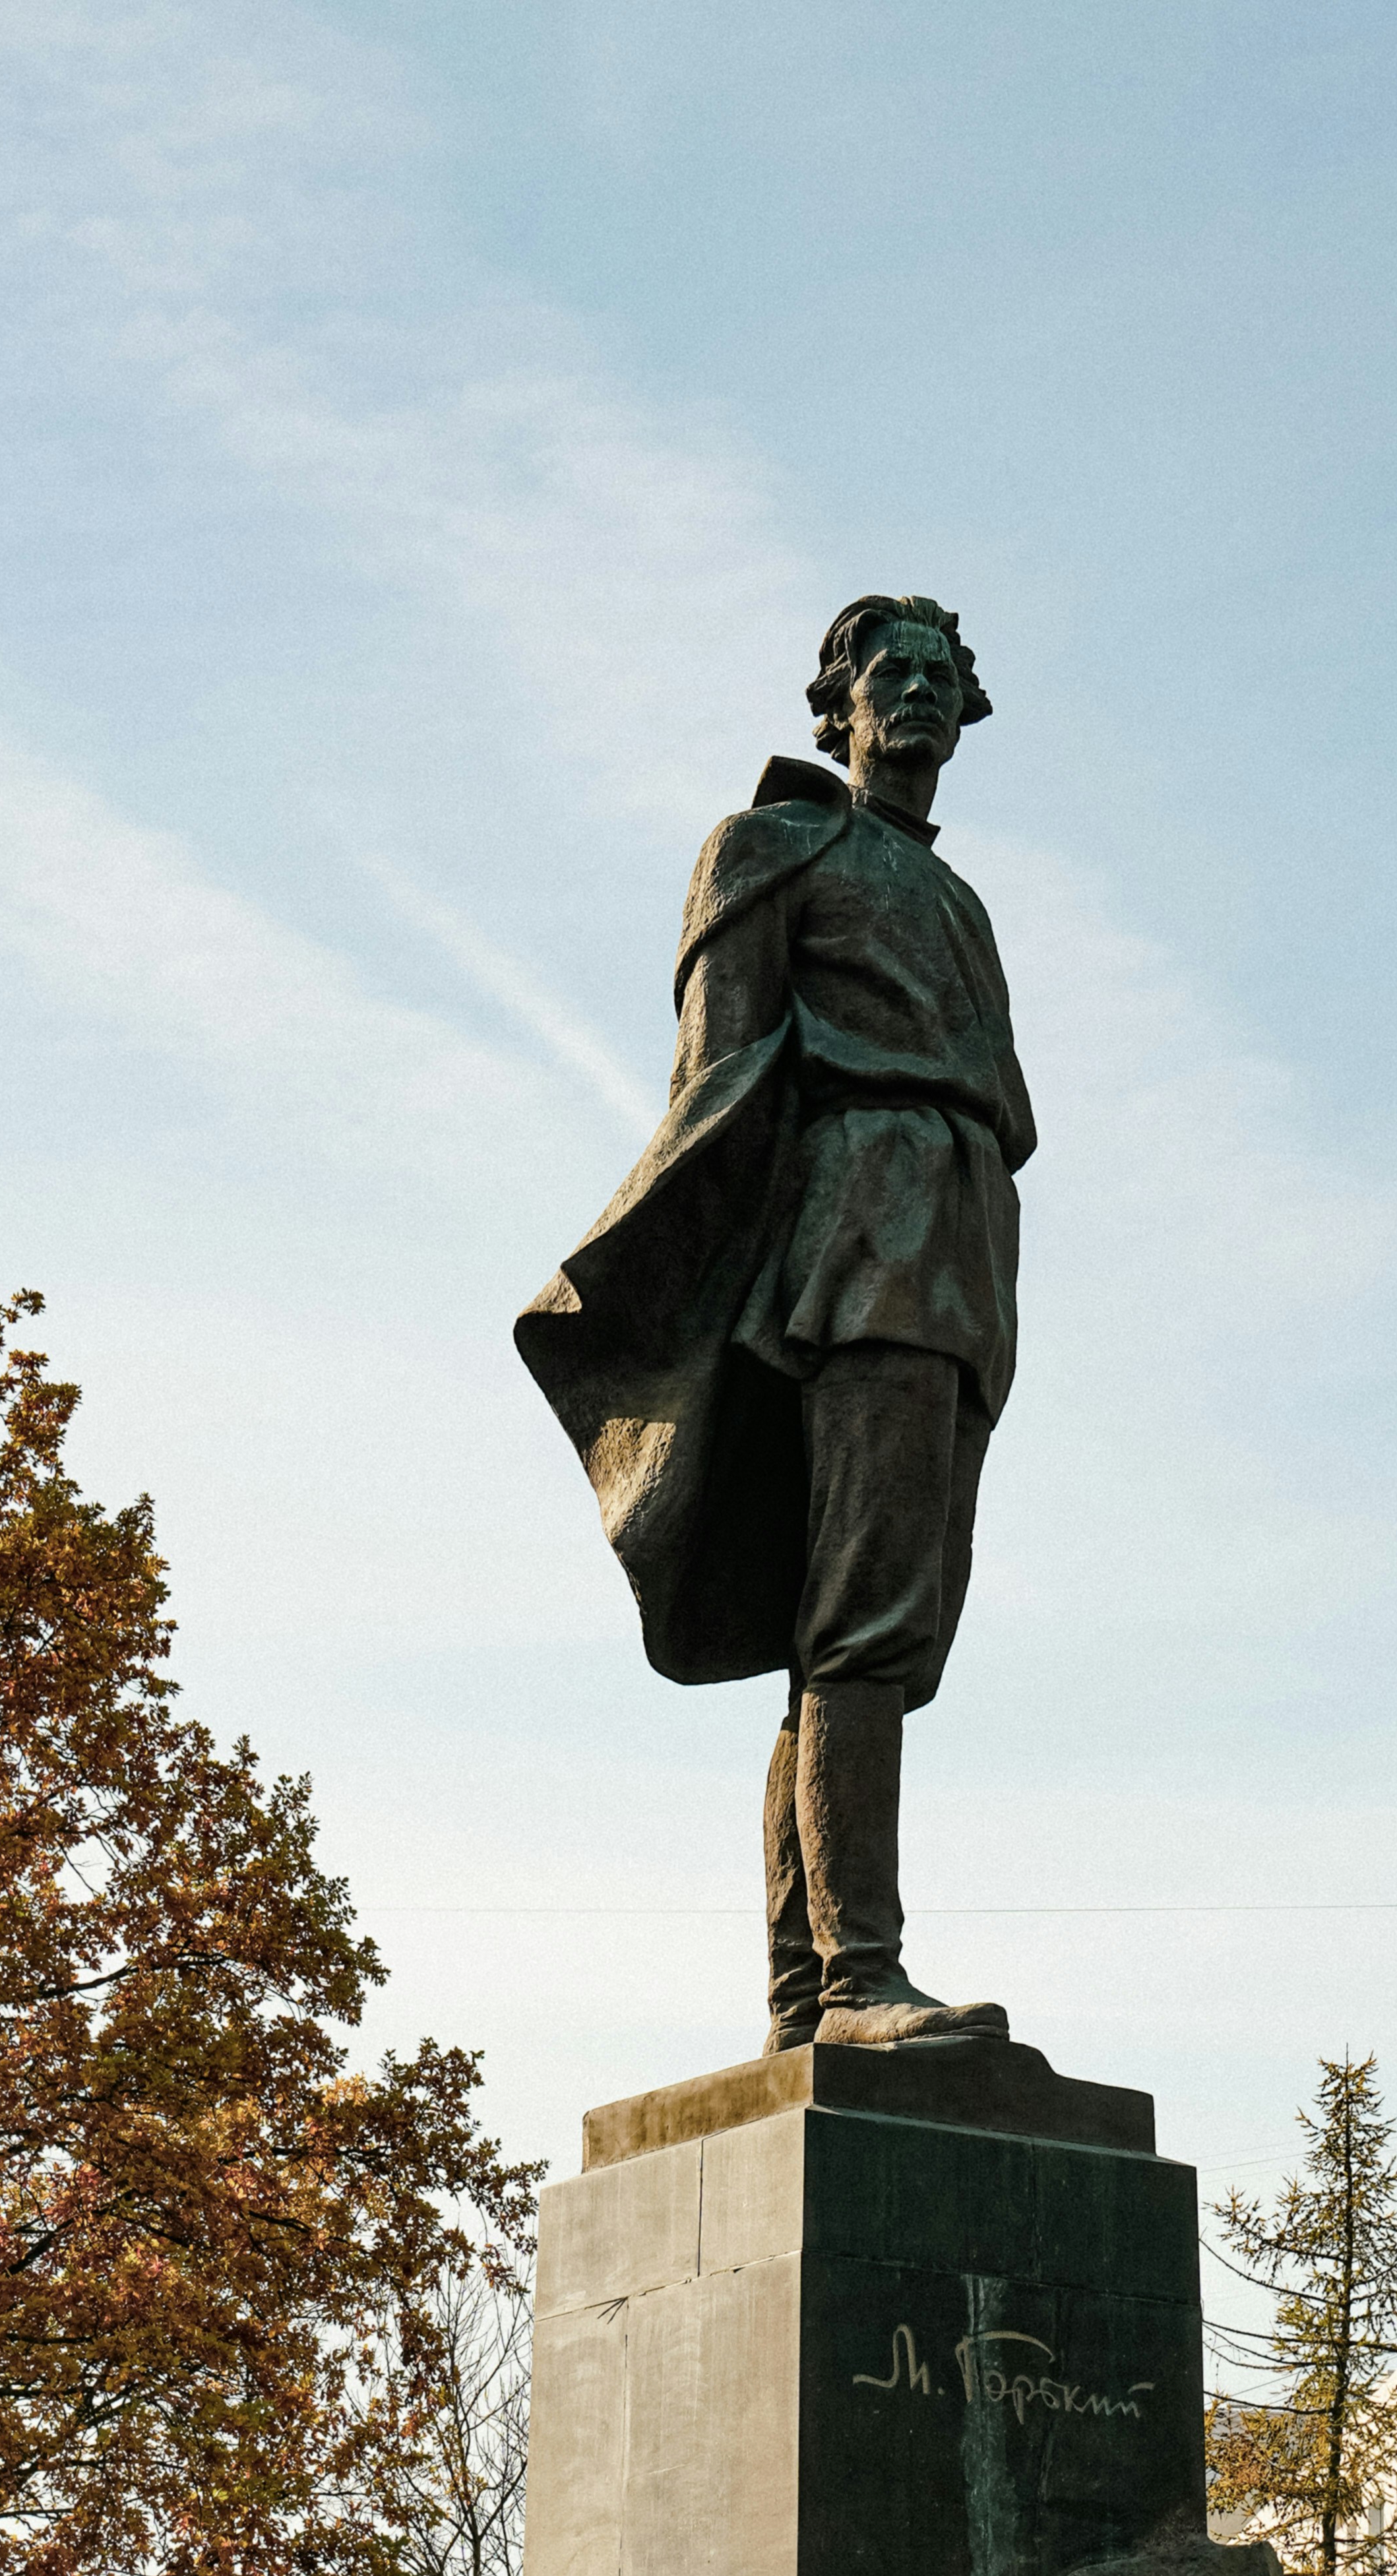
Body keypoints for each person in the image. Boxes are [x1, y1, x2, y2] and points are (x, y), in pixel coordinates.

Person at [518, 595, 1035, 2052]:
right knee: (857, 1628)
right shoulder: (773, 848)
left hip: (957, 1247)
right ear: (839, 705)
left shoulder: (958, 904)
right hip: (856, 1242)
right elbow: (713, 1091)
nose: (920, 696)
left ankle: (809, 2003)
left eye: (943, 678)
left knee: (861, 1646)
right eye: (891, 674)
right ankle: (853, 1979)